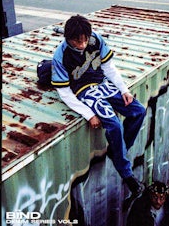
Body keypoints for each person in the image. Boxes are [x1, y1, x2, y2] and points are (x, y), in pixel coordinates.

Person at [51, 14, 146, 198]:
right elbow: (64, 92)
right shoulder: (60, 56)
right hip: (83, 90)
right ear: (68, 38)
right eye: (78, 41)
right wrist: (89, 114)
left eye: (85, 39)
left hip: (102, 82)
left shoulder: (96, 39)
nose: (83, 44)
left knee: (138, 111)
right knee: (114, 124)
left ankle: (119, 150)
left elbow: (109, 67)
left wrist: (124, 90)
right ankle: (126, 172)